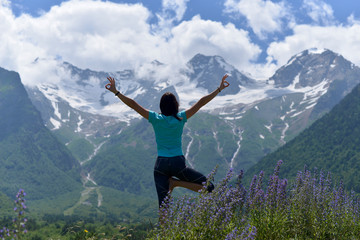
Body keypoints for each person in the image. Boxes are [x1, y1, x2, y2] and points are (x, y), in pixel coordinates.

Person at [105, 74, 230, 208]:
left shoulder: (155, 118)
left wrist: (116, 92)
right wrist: (219, 89)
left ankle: (164, 229)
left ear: (161, 106)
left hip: (161, 165)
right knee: (209, 187)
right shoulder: (181, 118)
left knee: (163, 206)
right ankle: (176, 183)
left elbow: (133, 105)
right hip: (178, 164)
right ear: (176, 105)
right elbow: (200, 103)